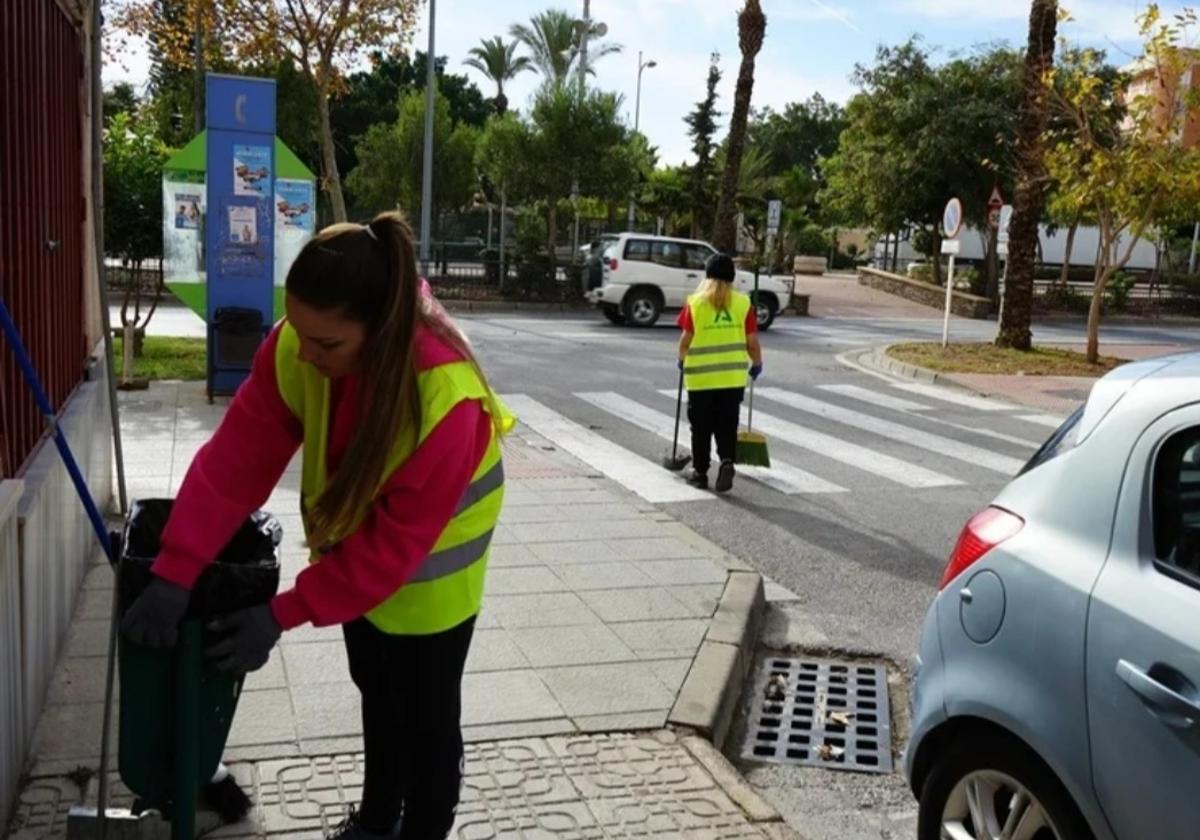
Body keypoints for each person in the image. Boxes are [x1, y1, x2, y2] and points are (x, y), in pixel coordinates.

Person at [120, 211, 514, 840]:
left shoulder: (444, 398)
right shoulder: (303, 345)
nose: (305, 354)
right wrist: (174, 570)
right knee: (375, 691)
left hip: (434, 578)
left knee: (427, 723)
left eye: (326, 344)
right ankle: (378, 819)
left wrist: (281, 613)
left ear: (380, 330)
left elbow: (390, 554)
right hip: (362, 561)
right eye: (298, 332)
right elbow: (234, 463)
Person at [676, 253, 763, 493]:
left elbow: (685, 340)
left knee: (701, 427)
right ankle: (726, 461)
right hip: (732, 378)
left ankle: (700, 472)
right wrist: (756, 363)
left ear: (707, 275)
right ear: (732, 277)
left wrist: (681, 360)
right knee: (727, 423)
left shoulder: (695, 303)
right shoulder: (743, 303)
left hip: (701, 379)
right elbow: (752, 342)